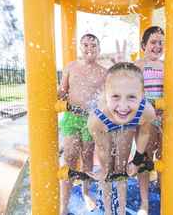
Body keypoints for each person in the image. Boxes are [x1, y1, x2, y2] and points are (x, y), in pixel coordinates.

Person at [88, 62, 156, 215]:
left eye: (131, 97)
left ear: (142, 95)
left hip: (130, 121)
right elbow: (102, 149)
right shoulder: (96, 120)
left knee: (122, 167)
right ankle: (107, 211)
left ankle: (121, 210)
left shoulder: (146, 111)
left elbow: (144, 134)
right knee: (107, 172)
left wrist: (137, 161)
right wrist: (105, 169)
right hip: (106, 123)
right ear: (106, 95)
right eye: (116, 96)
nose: (123, 106)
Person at [58, 33, 107, 215]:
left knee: (87, 158)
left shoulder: (103, 72)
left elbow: (107, 98)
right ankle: (64, 204)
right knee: (69, 156)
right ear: (80, 47)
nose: (89, 48)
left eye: (93, 45)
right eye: (85, 45)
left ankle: (86, 193)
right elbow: (62, 91)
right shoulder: (71, 67)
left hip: (90, 119)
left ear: (98, 50)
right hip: (72, 117)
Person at [134, 26, 164, 215]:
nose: (157, 46)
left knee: (165, 155)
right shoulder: (137, 65)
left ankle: (163, 190)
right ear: (144, 45)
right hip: (145, 119)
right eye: (153, 42)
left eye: (161, 43)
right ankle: (144, 202)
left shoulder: (168, 66)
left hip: (165, 118)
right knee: (145, 157)